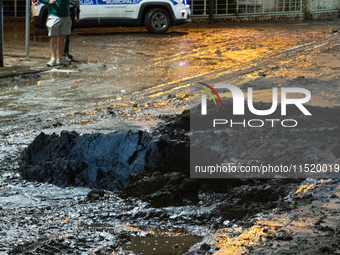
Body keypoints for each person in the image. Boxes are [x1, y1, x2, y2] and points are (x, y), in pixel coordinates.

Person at [40, 0, 71, 66]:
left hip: (65, 15)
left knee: (62, 38)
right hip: (54, 15)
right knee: (53, 38)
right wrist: (47, 1)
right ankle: (53, 58)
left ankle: (60, 59)